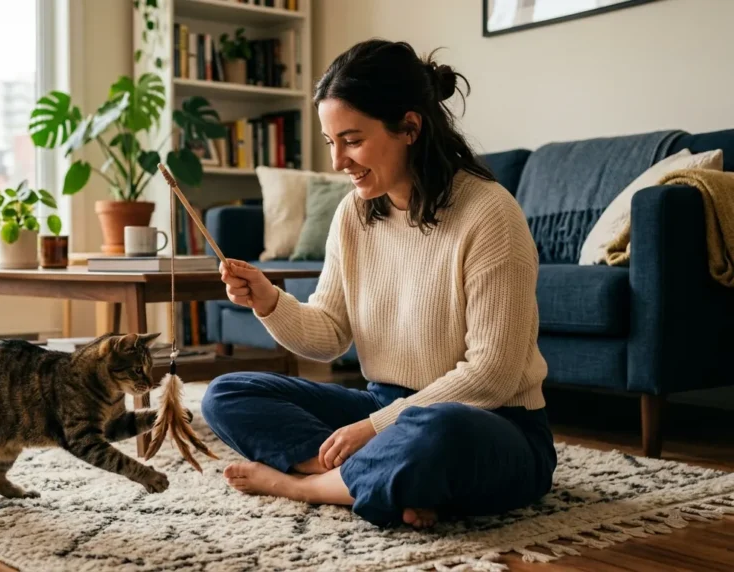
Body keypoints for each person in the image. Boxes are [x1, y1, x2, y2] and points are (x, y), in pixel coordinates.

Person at [200, 39, 557, 530]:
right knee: (226, 394)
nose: (337, 162)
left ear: (409, 127)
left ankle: (308, 485)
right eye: (331, 142)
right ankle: (383, 481)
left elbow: (492, 375)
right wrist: (269, 302)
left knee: (437, 433)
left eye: (351, 140)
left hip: (492, 423)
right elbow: (328, 335)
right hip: (384, 405)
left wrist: (372, 428)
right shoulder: (354, 213)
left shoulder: (491, 214)